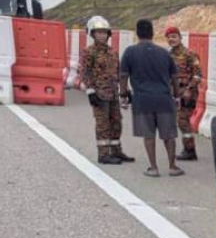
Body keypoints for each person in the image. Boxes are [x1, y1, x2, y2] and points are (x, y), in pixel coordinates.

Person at [119, 19, 184, 177]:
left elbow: (123, 76)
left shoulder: (129, 52)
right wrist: (176, 95)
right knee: (169, 135)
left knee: (149, 135)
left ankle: (153, 168)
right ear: (152, 33)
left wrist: (123, 94)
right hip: (164, 99)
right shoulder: (164, 53)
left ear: (137, 33)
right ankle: (173, 166)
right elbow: (174, 77)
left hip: (142, 101)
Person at [78, 15, 134, 165]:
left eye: (104, 32)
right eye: (98, 32)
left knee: (116, 122)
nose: (102, 35)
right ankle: (103, 154)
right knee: (103, 124)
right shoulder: (89, 52)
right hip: (99, 94)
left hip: (113, 93)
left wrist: (125, 90)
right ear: (92, 34)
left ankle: (116, 151)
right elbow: (84, 72)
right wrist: (90, 91)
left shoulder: (112, 52)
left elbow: (118, 73)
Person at [164, 25, 202, 161]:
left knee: (182, 120)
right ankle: (188, 149)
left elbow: (198, 75)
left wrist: (189, 90)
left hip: (187, 93)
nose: (171, 39)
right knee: (180, 121)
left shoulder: (189, 54)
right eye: (169, 37)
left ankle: (190, 150)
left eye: (174, 36)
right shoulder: (168, 55)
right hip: (174, 94)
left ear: (180, 37)